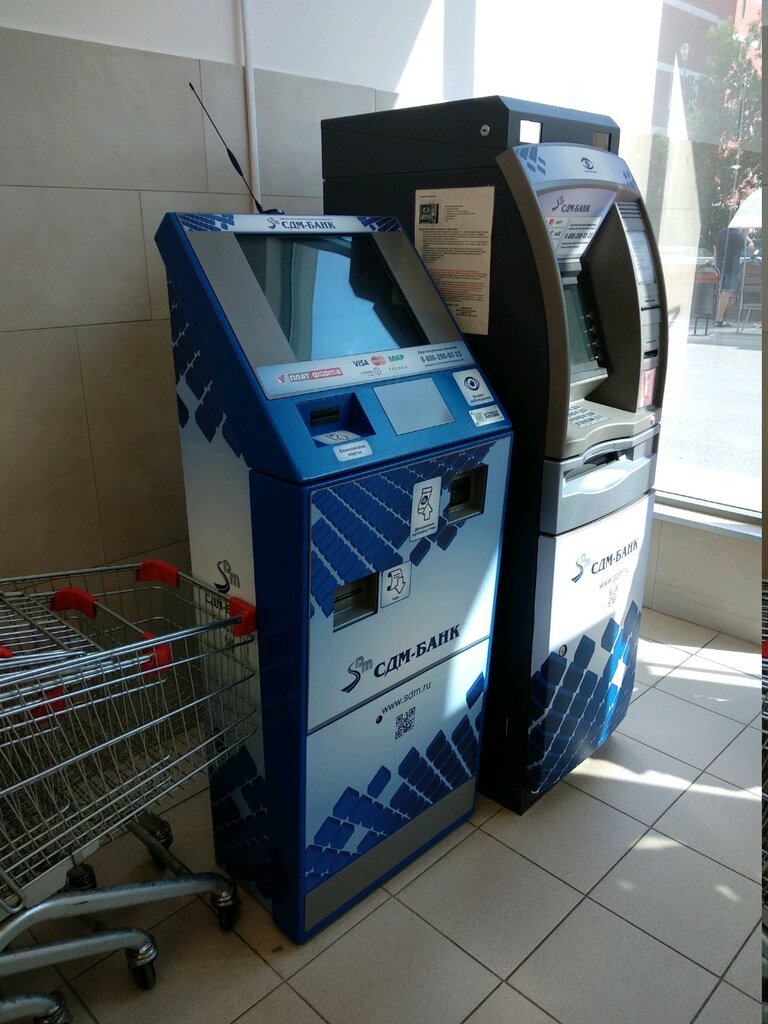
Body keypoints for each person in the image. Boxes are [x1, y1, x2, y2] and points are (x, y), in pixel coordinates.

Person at [713, 226, 753, 326]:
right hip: (732, 268)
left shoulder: (720, 233)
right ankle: (719, 319)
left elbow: (715, 249)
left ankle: (720, 318)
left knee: (722, 293)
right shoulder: (739, 235)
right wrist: (747, 236)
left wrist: (715, 264)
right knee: (726, 293)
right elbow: (751, 248)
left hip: (720, 267)